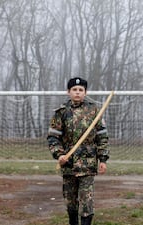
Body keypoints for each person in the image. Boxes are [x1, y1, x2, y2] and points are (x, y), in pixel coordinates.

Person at [47, 77, 110, 225]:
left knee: (86, 198)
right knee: (70, 200)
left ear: (85, 92)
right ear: (68, 92)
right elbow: (53, 137)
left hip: (87, 164)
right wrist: (59, 154)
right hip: (68, 164)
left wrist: (103, 159)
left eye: (81, 90)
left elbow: (102, 136)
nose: (77, 92)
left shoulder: (94, 111)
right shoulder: (61, 112)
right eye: (74, 90)